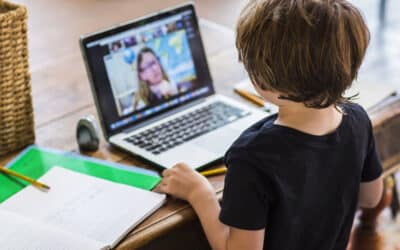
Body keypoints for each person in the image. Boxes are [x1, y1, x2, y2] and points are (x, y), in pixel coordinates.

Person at [155, 0, 384, 249]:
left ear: (259, 79)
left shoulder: (251, 157)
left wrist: (200, 194)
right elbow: (371, 198)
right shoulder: (358, 119)